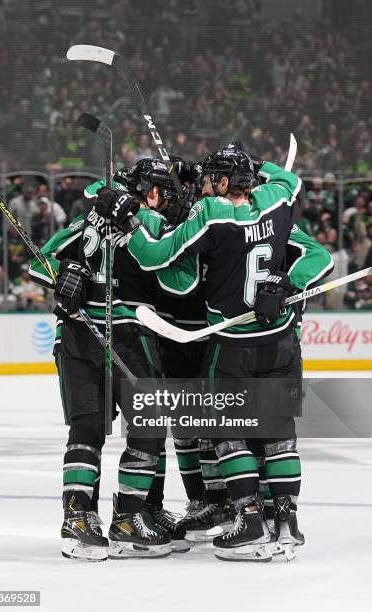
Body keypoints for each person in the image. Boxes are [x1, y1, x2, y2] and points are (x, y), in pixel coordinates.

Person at [92, 146, 333, 561]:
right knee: (278, 433)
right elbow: (295, 189)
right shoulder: (278, 198)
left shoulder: (212, 215)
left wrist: (133, 218)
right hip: (281, 340)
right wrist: (285, 284)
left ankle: (249, 520)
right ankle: (286, 525)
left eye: (207, 179)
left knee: (225, 431)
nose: (200, 187)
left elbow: (154, 255)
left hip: (233, 343)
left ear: (222, 183)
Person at [29, 159, 184, 560]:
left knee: (87, 432)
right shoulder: (147, 224)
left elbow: (39, 261)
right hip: (123, 336)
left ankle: (80, 519)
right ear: (149, 191)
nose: (165, 200)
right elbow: (172, 272)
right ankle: (125, 519)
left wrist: (65, 268)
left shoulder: (90, 219)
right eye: (162, 192)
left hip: (84, 338)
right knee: (142, 429)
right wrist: (69, 272)